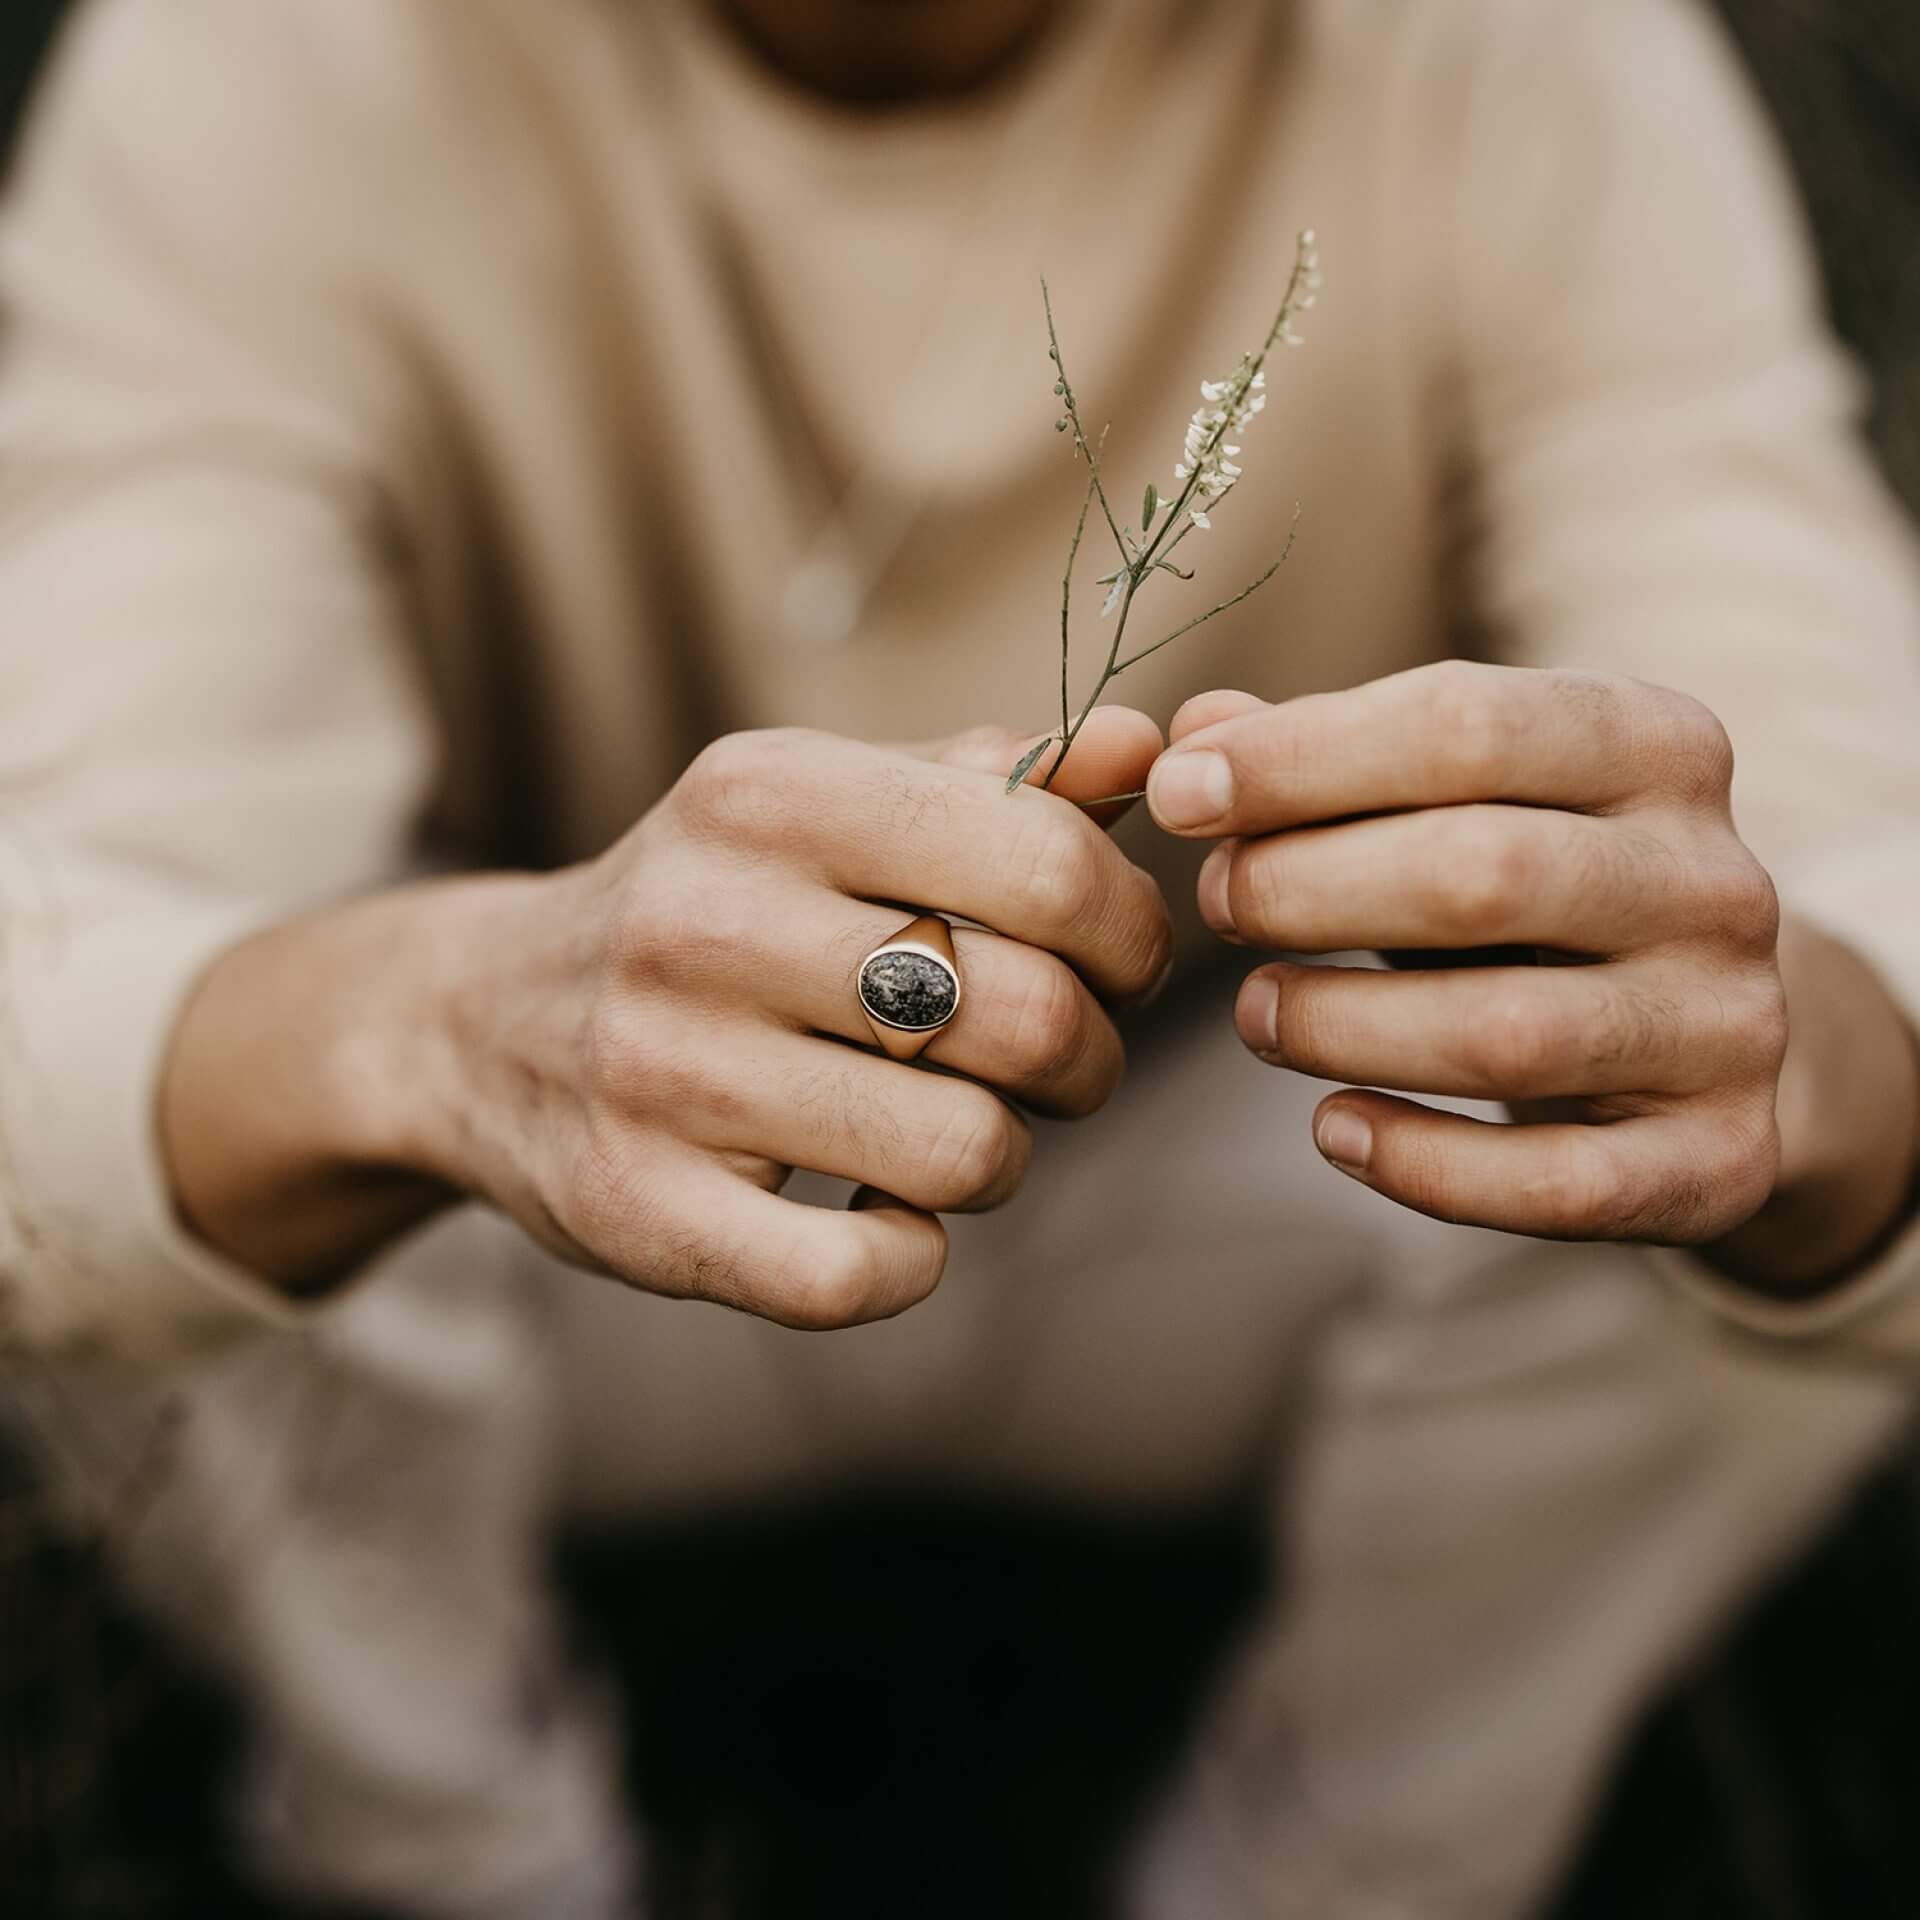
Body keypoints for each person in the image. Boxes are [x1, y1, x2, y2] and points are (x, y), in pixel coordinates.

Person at [1, 0, 1917, 1914]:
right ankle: (445, 1858)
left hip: (1251, 1201)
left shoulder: (1527, 56)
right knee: (203, 1088)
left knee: (1719, 1101)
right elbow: (49, 980)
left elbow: (1861, 882)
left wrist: (1788, 1049)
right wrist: (438, 1028)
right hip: (572, 1259)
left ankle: (1348, 1876)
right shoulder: (259, 59)